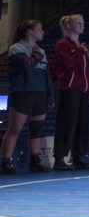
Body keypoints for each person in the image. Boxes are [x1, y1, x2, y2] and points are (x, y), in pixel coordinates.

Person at [1, 20, 56, 174]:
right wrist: (37, 54)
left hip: (39, 94)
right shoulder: (16, 48)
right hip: (22, 93)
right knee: (15, 129)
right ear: (30, 32)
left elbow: (46, 75)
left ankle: (35, 161)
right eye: (40, 29)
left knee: (37, 129)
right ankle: (5, 162)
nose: (43, 32)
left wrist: (50, 96)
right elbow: (27, 65)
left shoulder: (42, 51)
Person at [52, 14, 89, 170]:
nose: (82, 25)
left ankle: (80, 156)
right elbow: (68, 64)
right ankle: (59, 158)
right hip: (69, 89)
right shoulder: (62, 44)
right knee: (67, 124)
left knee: (83, 124)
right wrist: (79, 51)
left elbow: (88, 70)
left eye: (83, 23)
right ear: (68, 26)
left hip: (84, 90)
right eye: (78, 23)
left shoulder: (83, 45)